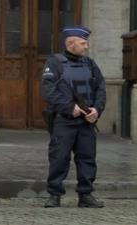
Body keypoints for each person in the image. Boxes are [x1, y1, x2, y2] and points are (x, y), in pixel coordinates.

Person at [41, 25, 106, 208]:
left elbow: (101, 88)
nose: (86, 47)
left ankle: (85, 195)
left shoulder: (90, 64)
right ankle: (54, 195)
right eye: (83, 43)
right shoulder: (54, 63)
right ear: (71, 44)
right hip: (64, 121)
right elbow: (48, 92)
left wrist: (97, 110)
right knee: (59, 158)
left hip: (86, 122)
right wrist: (70, 108)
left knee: (87, 159)